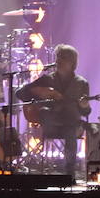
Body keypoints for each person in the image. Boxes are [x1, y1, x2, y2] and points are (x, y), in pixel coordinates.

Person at [15, 44, 90, 176]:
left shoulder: (81, 83)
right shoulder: (47, 79)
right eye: (58, 57)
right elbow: (20, 93)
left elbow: (86, 112)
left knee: (70, 128)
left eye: (63, 58)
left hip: (71, 125)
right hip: (51, 124)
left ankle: (69, 172)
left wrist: (84, 106)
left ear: (72, 62)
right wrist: (39, 91)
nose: (58, 61)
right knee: (45, 111)